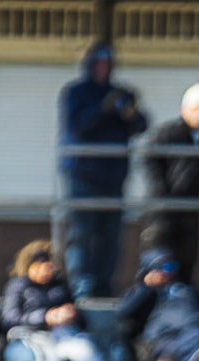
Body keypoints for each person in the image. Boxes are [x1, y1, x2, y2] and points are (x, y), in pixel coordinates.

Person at [58, 44, 147, 299]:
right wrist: (102, 109)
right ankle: (82, 287)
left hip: (113, 177)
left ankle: (104, 286)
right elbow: (78, 127)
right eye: (99, 63)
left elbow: (141, 125)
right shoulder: (76, 93)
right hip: (83, 177)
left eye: (107, 64)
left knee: (110, 235)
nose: (103, 69)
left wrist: (128, 110)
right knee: (82, 234)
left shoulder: (120, 93)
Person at [143, 84, 199, 282]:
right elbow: (150, 160)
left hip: (193, 213)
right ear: (186, 109)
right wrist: (162, 192)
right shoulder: (168, 133)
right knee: (159, 264)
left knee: (186, 264)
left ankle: (182, 296)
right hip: (164, 213)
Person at [0, 241, 105, 361]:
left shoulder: (60, 286)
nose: (47, 269)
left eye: (49, 265)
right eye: (41, 264)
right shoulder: (17, 286)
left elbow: (82, 321)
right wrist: (45, 317)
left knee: (87, 355)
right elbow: (9, 319)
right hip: (27, 338)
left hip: (62, 336)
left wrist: (71, 315)